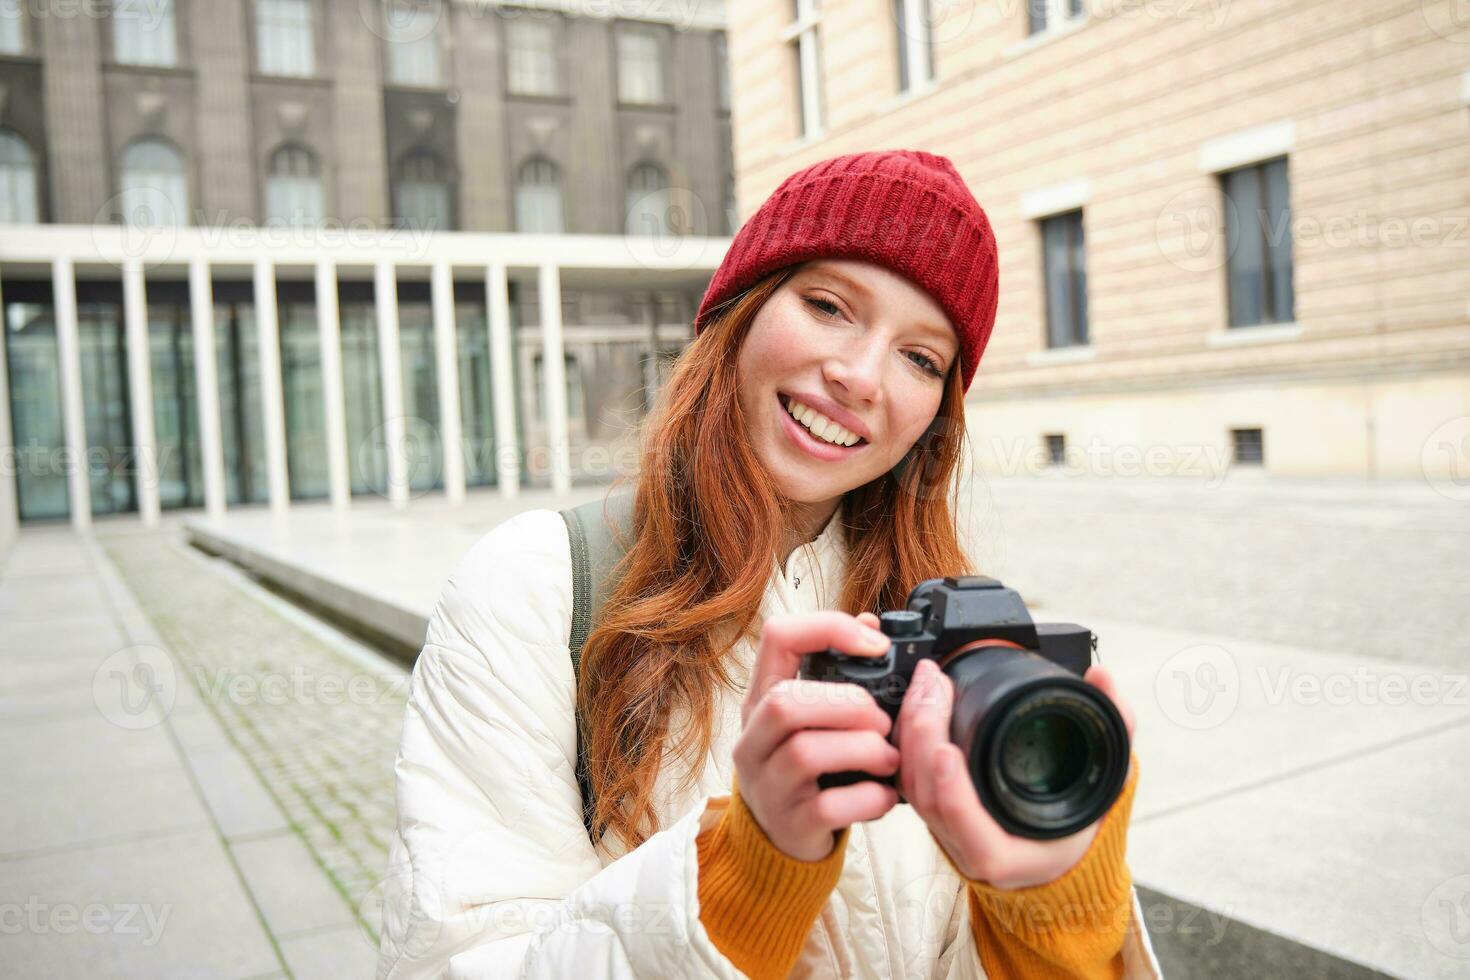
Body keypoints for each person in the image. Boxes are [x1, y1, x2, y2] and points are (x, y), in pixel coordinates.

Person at [377, 149, 1161, 979]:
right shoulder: (531, 588)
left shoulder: (961, 644)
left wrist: (1052, 907)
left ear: (939, 415)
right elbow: (457, 961)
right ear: (742, 310)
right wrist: (746, 874)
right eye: (828, 305)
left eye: (921, 358)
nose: (860, 376)